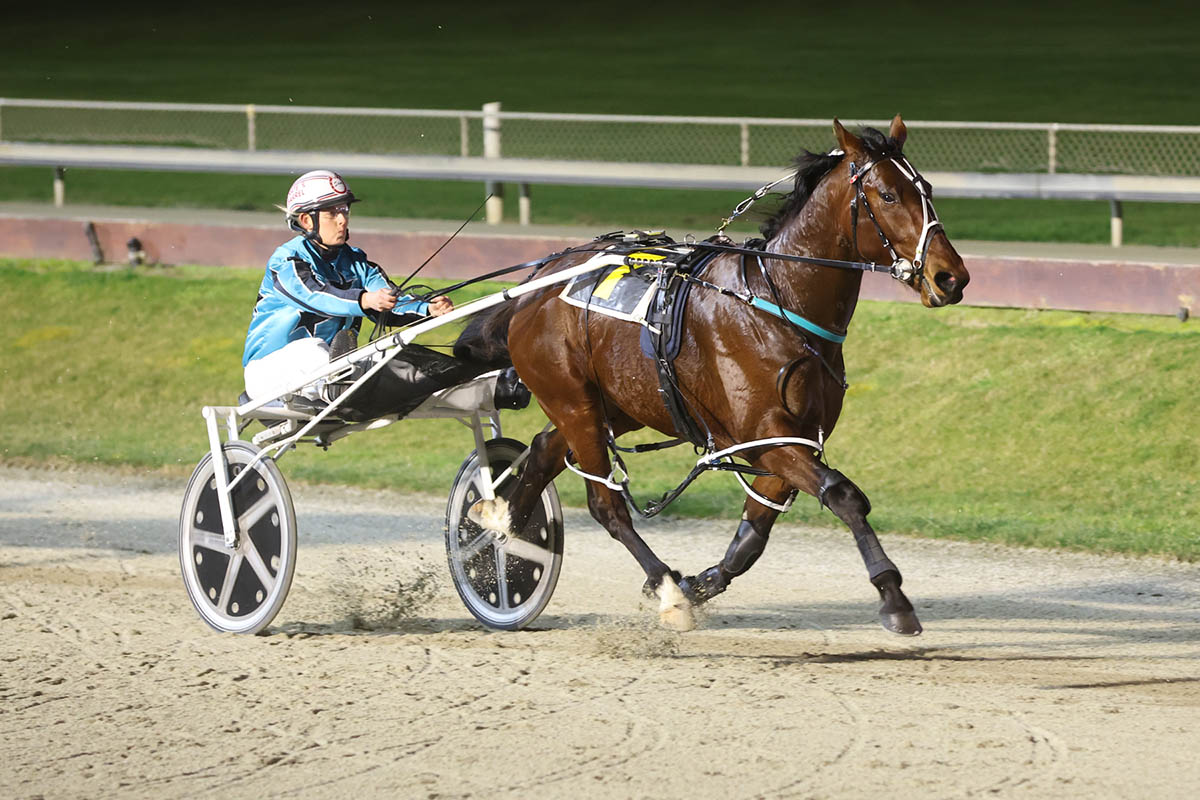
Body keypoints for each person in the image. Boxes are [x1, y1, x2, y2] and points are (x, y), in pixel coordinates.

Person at [243, 169, 526, 420]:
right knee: (312, 351)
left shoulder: (358, 263)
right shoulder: (287, 262)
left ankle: (495, 388)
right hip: (269, 374)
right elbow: (316, 294)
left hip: (335, 371)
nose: (343, 220)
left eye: (345, 210)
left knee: (392, 361)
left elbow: (390, 299)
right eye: (332, 213)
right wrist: (364, 300)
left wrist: (427, 310)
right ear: (306, 220)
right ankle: (339, 384)